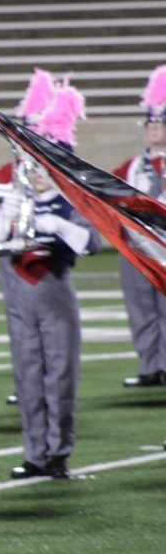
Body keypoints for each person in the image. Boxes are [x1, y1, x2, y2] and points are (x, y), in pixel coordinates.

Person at [0, 81, 97, 480]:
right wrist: (7, 213)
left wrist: (54, 223)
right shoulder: (14, 196)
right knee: (27, 375)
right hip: (17, 291)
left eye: (45, 166)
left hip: (54, 289)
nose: (37, 174)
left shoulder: (71, 201)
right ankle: (34, 453)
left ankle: (58, 452)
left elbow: (90, 242)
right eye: (32, 164)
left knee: (60, 375)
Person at [114, 64, 166, 388]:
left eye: (160, 123)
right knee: (140, 308)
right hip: (136, 245)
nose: (155, 129)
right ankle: (150, 365)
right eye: (151, 124)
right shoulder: (128, 167)